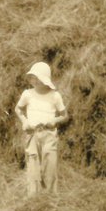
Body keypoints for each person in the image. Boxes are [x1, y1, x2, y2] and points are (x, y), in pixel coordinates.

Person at [15, 62, 68, 196]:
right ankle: (33, 195)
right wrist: (25, 121)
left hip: (48, 133)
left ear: (46, 80)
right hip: (32, 133)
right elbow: (18, 109)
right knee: (33, 162)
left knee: (50, 162)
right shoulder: (27, 94)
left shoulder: (55, 96)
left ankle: (50, 195)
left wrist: (53, 121)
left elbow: (64, 115)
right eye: (33, 78)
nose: (35, 81)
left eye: (38, 78)